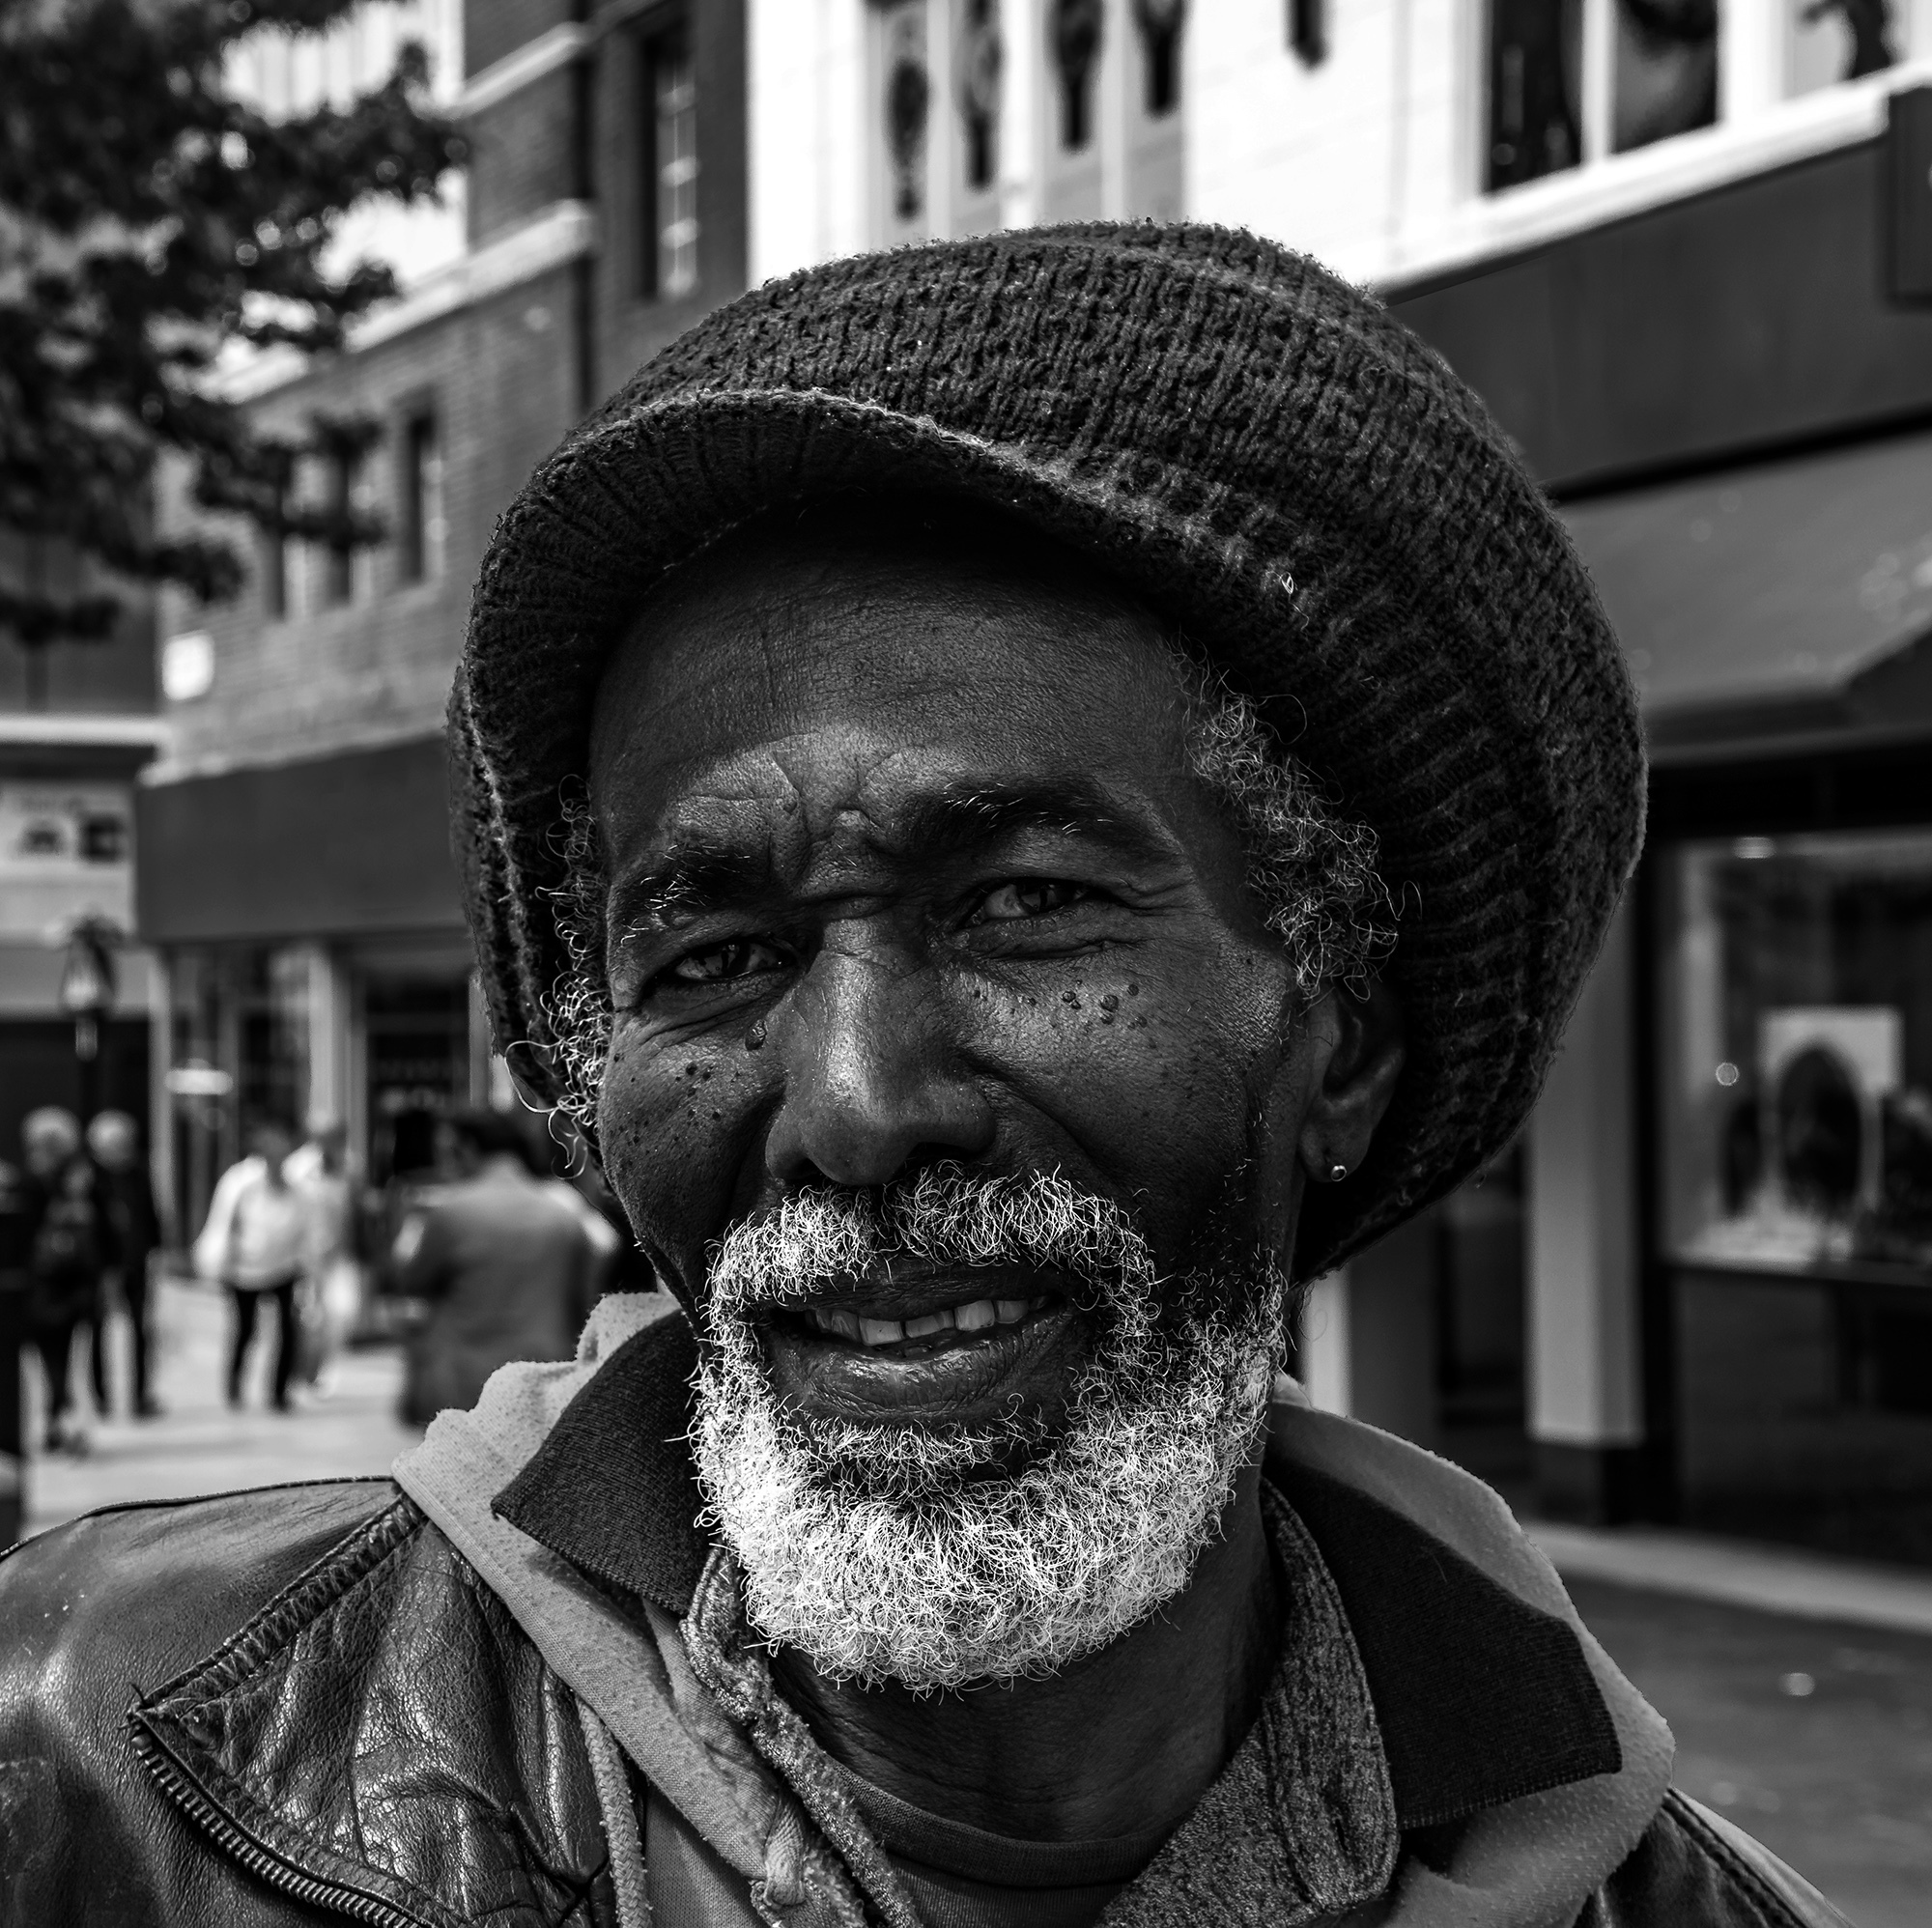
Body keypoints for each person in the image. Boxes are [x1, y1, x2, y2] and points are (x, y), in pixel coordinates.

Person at [0, 229, 1845, 1926]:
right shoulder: (99, 1765)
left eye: (1028, 906)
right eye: (713, 956)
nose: (860, 1104)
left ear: (1339, 1027)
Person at [392, 1105, 599, 1425]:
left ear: (469, 1149)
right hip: (547, 1372)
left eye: (447, 1152)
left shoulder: (452, 1212)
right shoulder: (563, 1210)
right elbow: (590, 1280)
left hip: (467, 1376)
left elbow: (411, 1280)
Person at [192, 1119, 308, 1412]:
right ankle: (234, 1386)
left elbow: (303, 1225)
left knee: (287, 1331)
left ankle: (279, 1392)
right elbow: (223, 1225)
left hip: (283, 1267)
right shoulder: (240, 1181)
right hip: (244, 1269)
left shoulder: (293, 1184)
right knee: (246, 1330)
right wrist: (223, 1265)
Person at [18, 1105, 115, 1454]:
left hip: (66, 1285)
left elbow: (104, 1235)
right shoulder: (38, 1184)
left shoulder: (78, 1183)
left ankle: (62, 1422)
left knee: (63, 1360)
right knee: (55, 1360)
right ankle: (58, 1421)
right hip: (53, 1285)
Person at [84, 1109, 162, 1419]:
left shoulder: (138, 1174)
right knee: (98, 1330)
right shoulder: (89, 1179)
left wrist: (157, 1250)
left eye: (125, 1144)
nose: (121, 1151)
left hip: (136, 1262)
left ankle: (140, 1395)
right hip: (102, 1266)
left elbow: (151, 1214)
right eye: (113, 1146)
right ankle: (102, 1397)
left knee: (141, 1329)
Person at [283, 1117, 361, 1394]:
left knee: (343, 1312)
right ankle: (305, 1371)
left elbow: (351, 1210)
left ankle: (322, 1370)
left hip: (338, 1255)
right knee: (310, 1317)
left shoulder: (348, 1167)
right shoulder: (297, 1170)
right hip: (306, 1256)